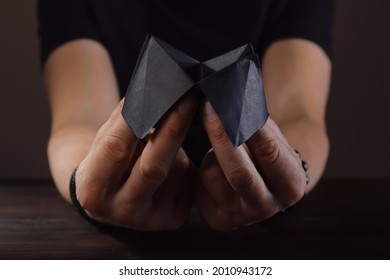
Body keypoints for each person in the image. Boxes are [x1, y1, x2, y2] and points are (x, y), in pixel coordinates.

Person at [38, 0, 334, 231]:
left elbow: (298, 116)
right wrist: (87, 187)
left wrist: (290, 173)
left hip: (253, 233)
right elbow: (79, 120)